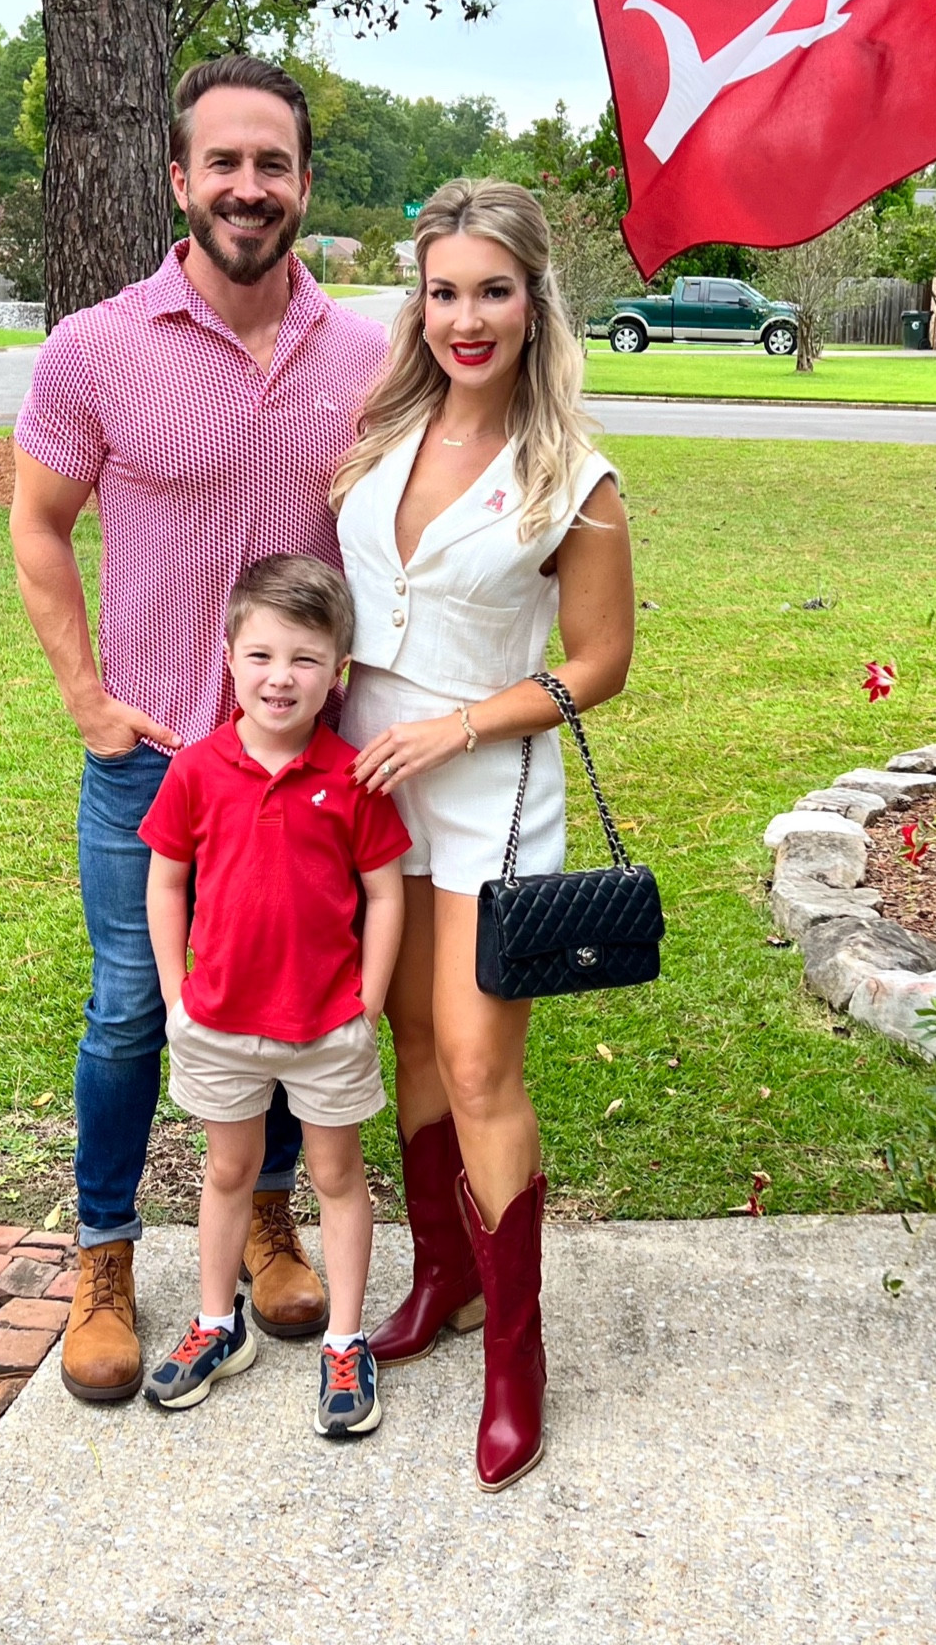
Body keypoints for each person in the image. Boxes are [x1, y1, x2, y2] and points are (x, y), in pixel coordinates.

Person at [9, 54, 388, 1403]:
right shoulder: (96, 347)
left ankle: (273, 1220)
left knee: (294, 996)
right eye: (223, 161)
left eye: (272, 163)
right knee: (131, 1013)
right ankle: (105, 1259)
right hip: (157, 767)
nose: (248, 185)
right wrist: (88, 702)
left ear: (304, 185)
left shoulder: (370, 355)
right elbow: (39, 525)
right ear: (180, 179)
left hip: (308, 771)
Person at [331, 178, 635, 1492]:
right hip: (370, 784)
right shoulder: (379, 436)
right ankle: (442, 1278)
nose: (466, 318)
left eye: (492, 291)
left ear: (534, 300)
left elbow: (601, 662)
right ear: (419, 301)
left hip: (488, 792)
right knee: (405, 1036)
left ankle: (518, 1354)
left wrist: (457, 727)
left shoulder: (574, 476)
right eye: (444, 291)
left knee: (476, 1061)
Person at [138, 556, 411, 1434]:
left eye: (304, 658)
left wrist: (368, 1001)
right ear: (228, 659)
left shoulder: (352, 776)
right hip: (219, 1019)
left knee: (336, 1174)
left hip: (326, 1023)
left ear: (338, 672)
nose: (280, 677)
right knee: (228, 1171)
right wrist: (176, 994)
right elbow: (166, 882)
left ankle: (345, 1340)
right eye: (260, 655)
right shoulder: (197, 769)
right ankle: (217, 1325)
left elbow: (384, 894)